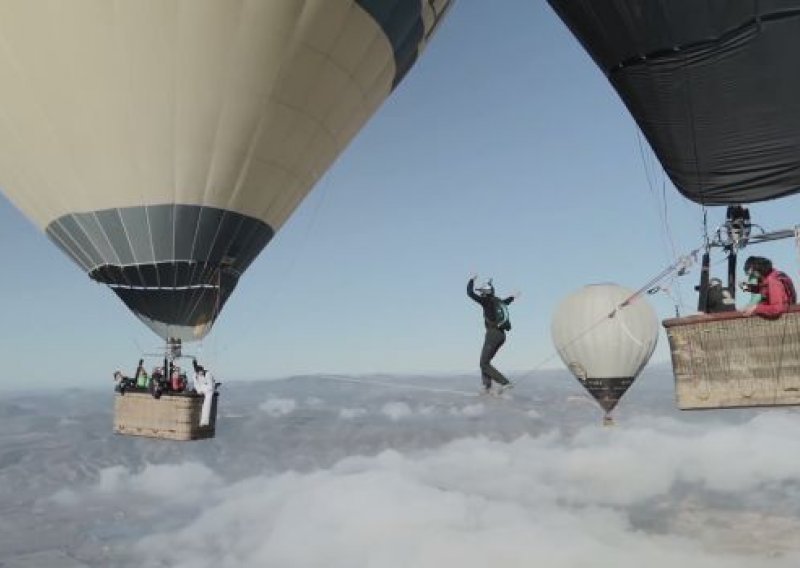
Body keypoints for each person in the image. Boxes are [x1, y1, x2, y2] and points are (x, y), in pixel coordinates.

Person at [467, 274, 519, 394]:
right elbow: (507, 301)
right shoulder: (498, 301)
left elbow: (470, 293)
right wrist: (513, 297)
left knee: (483, 363)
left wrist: (471, 280)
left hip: (493, 335)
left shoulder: (486, 301)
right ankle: (487, 387)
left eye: (482, 292)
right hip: (501, 336)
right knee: (485, 362)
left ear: (486, 292)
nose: (480, 294)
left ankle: (504, 382)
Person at [192, 359, 216, 427]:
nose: (201, 373)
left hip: (208, 389)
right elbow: (196, 384)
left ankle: (205, 421)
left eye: (201, 372)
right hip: (202, 388)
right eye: (199, 372)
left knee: (207, 404)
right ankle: (202, 421)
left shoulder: (208, 374)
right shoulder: (195, 375)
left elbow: (211, 386)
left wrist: (204, 389)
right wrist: (199, 390)